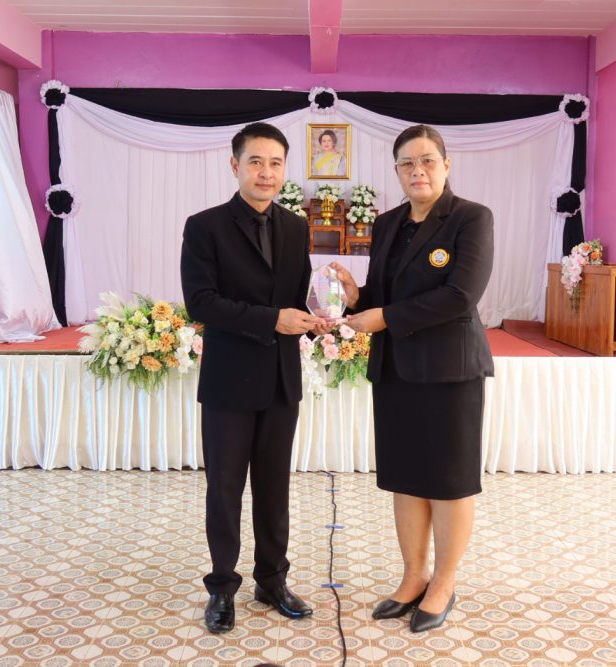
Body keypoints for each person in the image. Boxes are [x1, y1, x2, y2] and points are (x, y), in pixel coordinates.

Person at [331, 124, 494, 633]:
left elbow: (460, 296)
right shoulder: (387, 223)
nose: (417, 170)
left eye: (427, 160)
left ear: (446, 165)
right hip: (397, 367)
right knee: (405, 476)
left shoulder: (470, 218)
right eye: (407, 163)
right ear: (397, 171)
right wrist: (355, 296)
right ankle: (413, 576)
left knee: (448, 480)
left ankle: (443, 581)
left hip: (450, 370)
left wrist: (383, 317)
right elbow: (384, 292)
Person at [181, 122, 326, 634]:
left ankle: (272, 580)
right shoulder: (205, 226)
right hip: (229, 381)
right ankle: (222, 587)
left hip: (281, 380)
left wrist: (318, 316)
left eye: (276, 163)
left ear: (285, 170)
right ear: (235, 165)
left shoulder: (296, 227)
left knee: (274, 487)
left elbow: (297, 295)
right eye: (256, 162)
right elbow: (201, 303)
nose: (266, 172)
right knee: (224, 489)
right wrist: (272, 320)